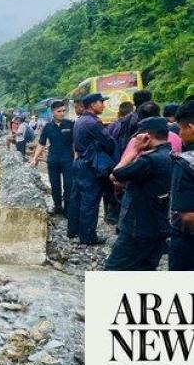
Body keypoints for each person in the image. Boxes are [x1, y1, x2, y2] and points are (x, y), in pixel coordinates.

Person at [104, 118, 173, 270]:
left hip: (138, 228)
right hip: (159, 226)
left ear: (146, 136)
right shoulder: (171, 156)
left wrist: (134, 151)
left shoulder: (149, 160)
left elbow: (115, 175)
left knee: (112, 270)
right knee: (145, 270)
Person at [67, 93, 116, 245]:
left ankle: (73, 230)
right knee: (90, 200)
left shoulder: (80, 120)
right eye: (101, 102)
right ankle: (88, 237)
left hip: (79, 162)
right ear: (93, 104)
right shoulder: (94, 123)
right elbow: (109, 143)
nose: (103, 105)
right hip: (90, 165)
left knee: (77, 198)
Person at [31, 101, 74, 215]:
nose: (62, 113)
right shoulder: (47, 127)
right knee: (55, 185)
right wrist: (35, 158)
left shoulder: (70, 124)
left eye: (63, 111)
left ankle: (68, 209)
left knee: (69, 185)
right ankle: (58, 206)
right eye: (59, 111)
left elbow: (76, 143)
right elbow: (41, 144)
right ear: (53, 112)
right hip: (53, 160)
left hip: (68, 160)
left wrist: (77, 157)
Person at [169, 100, 194, 271]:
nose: (179, 132)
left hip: (187, 244)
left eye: (181, 128)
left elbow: (188, 217)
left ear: (191, 128)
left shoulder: (185, 163)